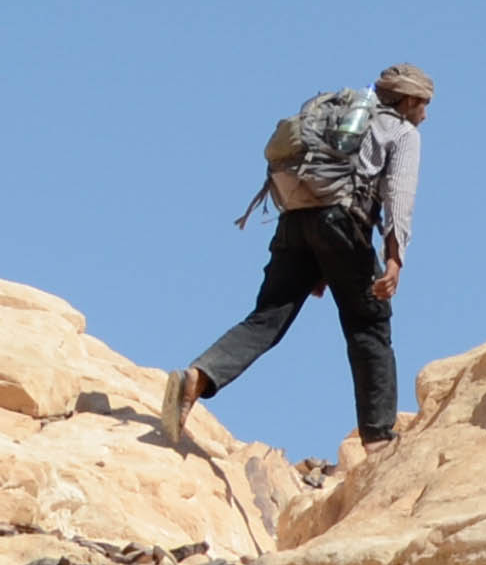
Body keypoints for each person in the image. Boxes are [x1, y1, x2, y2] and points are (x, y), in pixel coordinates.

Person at [163, 64, 430, 457]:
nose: (425, 114)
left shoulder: (344, 117)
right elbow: (399, 198)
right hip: (343, 227)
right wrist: (395, 261)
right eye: (424, 104)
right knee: (369, 323)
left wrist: (319, 264)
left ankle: (199, 376)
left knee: (268, 316)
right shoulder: (403, 132)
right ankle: (377, 438)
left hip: (295, 220)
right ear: (408, 100)